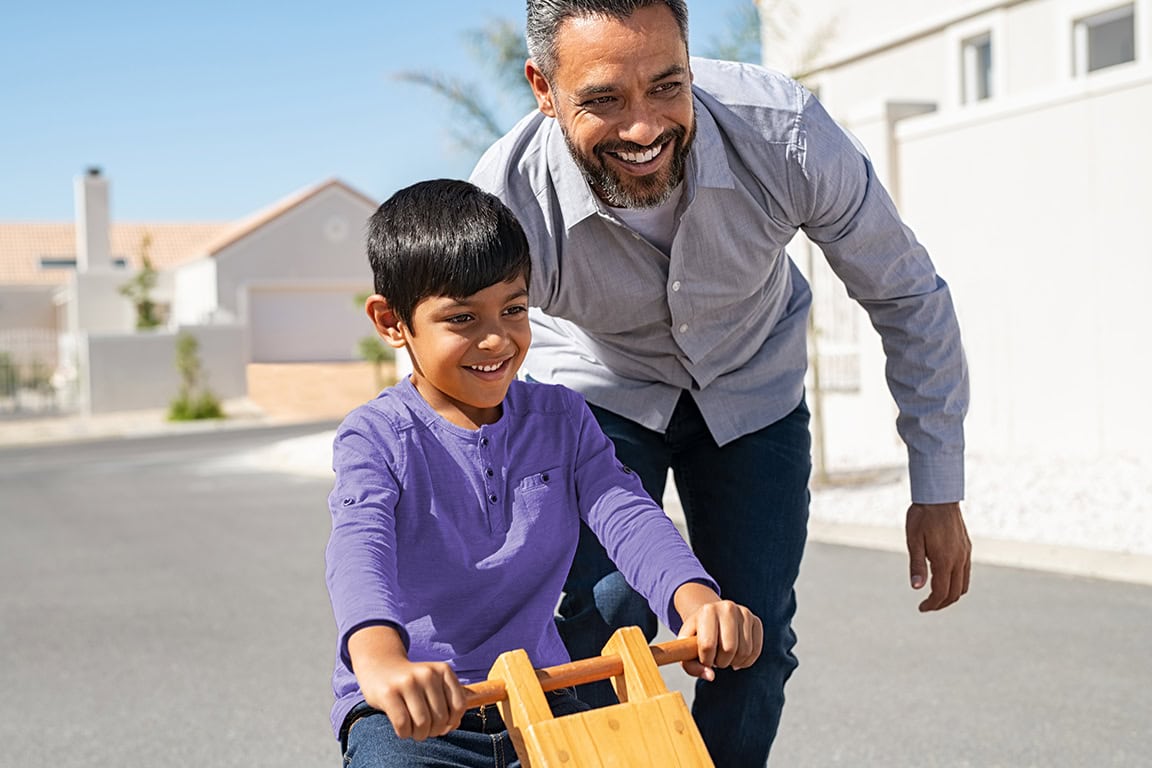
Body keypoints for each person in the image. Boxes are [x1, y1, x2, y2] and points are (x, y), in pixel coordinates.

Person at [469, 1, 972, 764]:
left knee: (752, 635)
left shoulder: (785, 136)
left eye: (667, 86)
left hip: (753, 386)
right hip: (598, 392)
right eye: (603, 100)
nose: (643, 128)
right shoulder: (506, 200)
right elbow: (462, 368)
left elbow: (905, 294)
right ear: (544, 86)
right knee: (597, 619)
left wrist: (937, 485)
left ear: (690, 63)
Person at [324, 178, 764, 768]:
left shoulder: (561, 418)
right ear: (392, 321)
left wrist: (696, 598)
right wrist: (379, 658)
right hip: (419, 713)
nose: (497, 338)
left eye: (513, 309)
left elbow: (627, 513)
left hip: (545, 690)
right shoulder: (376, 437)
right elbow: (359, 548)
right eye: (461, 318)